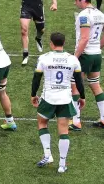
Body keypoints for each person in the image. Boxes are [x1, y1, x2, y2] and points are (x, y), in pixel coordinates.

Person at [31, 32, 86, 173]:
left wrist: (33, 95)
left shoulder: (44, 58)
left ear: (51, 43)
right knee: (64, 130)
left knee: (42, 123)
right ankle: (62, 164)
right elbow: (79, 80)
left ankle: (48, 154)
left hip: (48, 97)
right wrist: (83, 96)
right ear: (64, 43)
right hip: (65, 98)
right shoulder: (73, 59)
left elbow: (36, 78)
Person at [70, 0, 104, 130]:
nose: (75, 3)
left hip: (85, 55)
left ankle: (76, 121)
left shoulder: (84, 16)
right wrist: (98, 46)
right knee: (95, 84)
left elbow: (84, 38)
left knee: (74, 86)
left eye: (76, 0)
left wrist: (75, 57)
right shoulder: (100, 13)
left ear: (83, 0)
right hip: (96, 55)